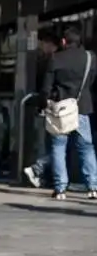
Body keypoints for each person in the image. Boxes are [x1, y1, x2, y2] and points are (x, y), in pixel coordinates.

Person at [41, 25, 97, 200]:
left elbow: (46, 88)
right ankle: (93, 187)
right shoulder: (90, 58)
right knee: (86, 148)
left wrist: (44, 103)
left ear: (64, 42)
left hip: (61, 109)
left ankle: (60, 189)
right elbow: (91, 81)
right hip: (82, 107)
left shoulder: (55, 59)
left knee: (59, 147)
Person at [23, 28, 61, 188]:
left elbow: (45, 86)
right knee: (55, 144)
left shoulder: (50, 61)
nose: (41, 47)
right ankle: (39, 170)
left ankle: (39, 170)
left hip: (48, 106)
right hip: (52, 106)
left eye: (43, 43)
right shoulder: (50, 60)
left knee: (50, 144)